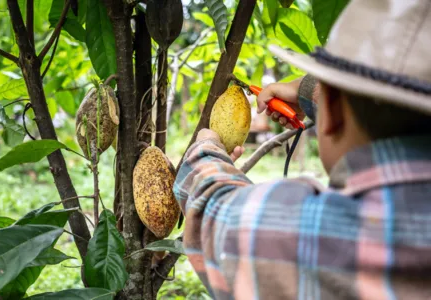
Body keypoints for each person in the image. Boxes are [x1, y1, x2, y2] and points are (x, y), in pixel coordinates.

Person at [173, 0, 431, 299]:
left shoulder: (312, 235)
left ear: (331, 113)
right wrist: (314, 92)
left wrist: (205, 147)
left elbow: (215, 209)